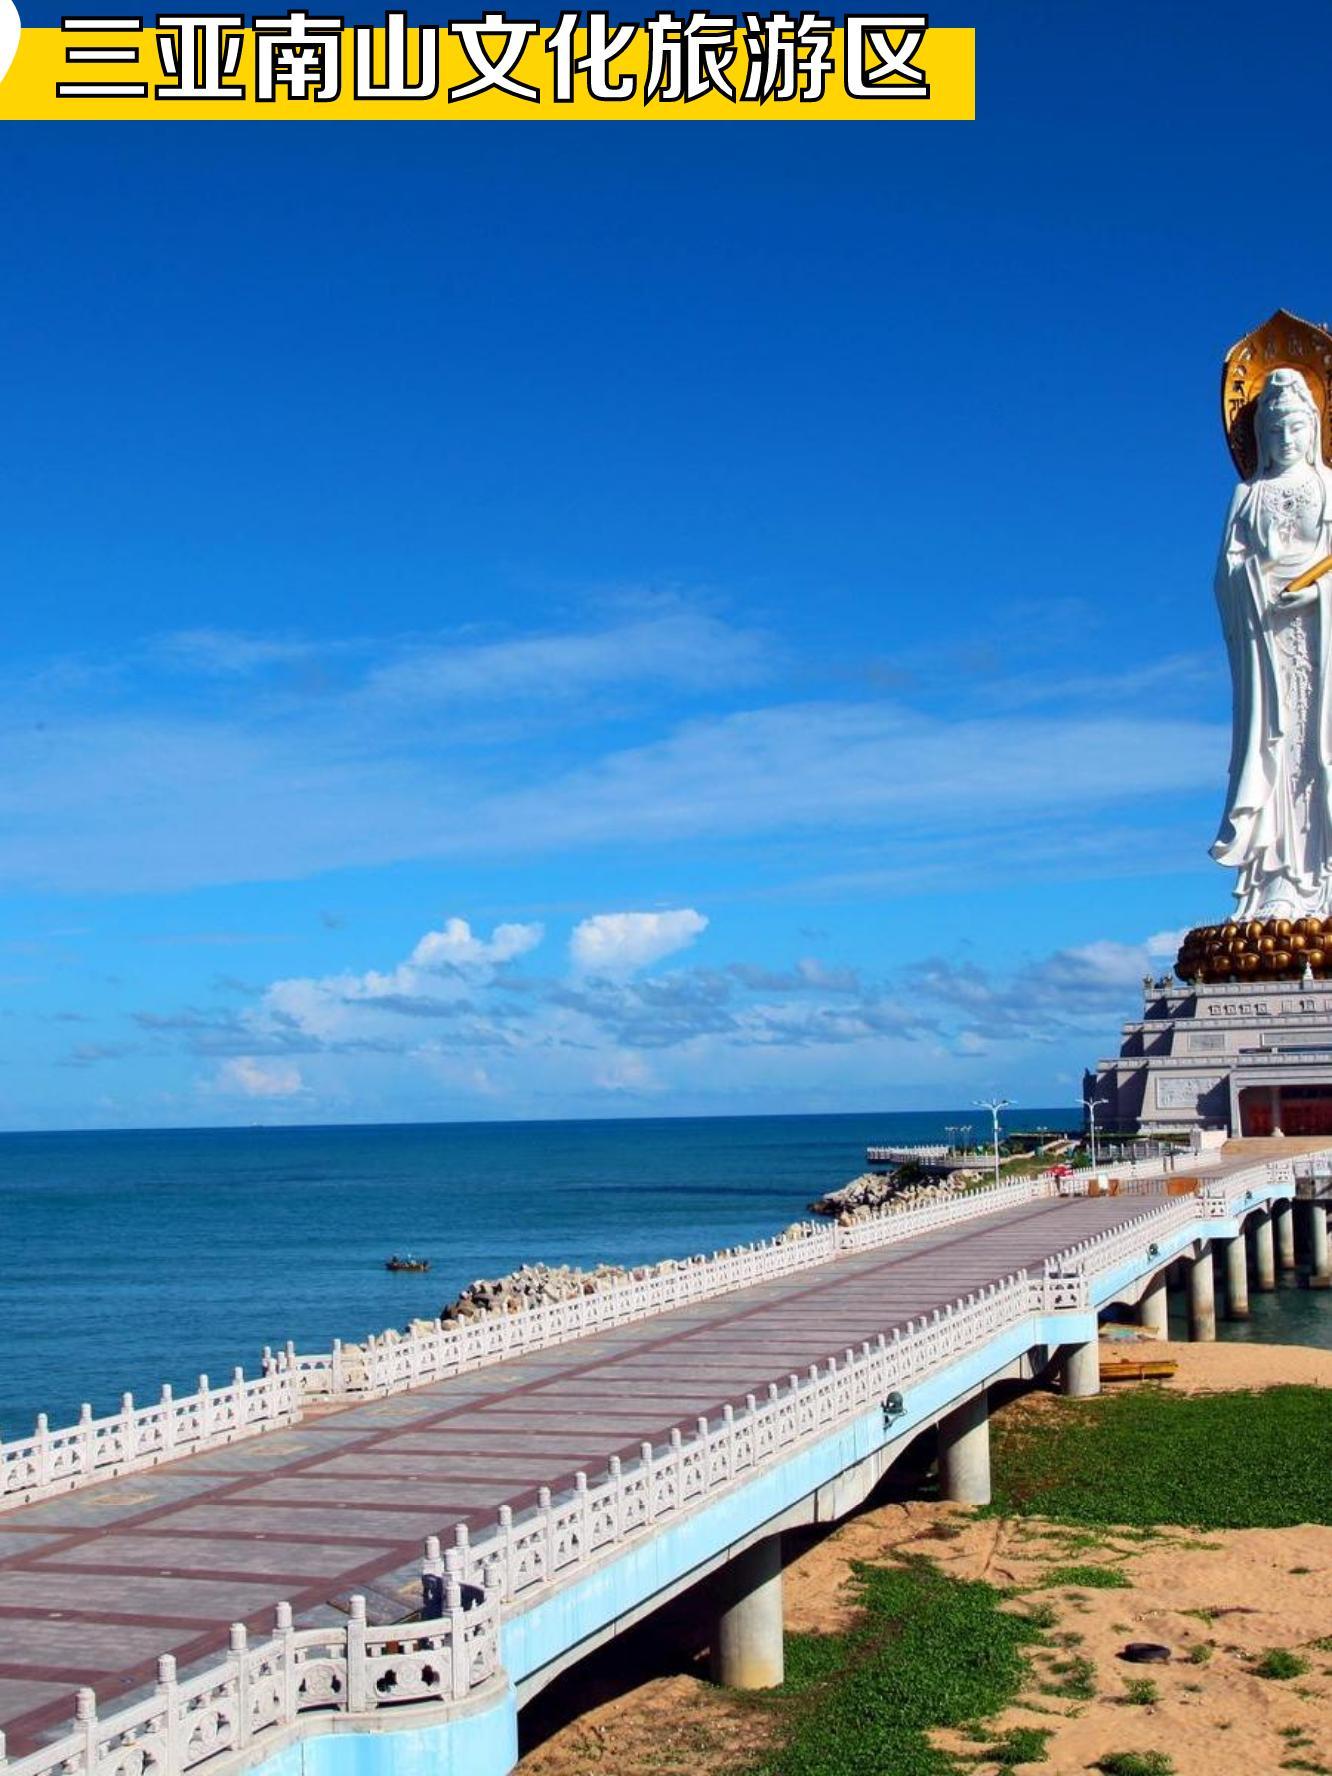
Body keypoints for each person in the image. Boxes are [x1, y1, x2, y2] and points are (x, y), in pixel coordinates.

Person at [1213, 366, 1332, 919]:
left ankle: (1322, 878)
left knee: (1320, 750)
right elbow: (1225, 573)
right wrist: (1253, 584)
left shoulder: (1328, 487)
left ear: (1314, 428)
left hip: (1320, 637)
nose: (1286, 440)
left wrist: (1316, 594)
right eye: (1274, 430)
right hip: (1266, 645)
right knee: (1273, 751)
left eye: (1295, 428)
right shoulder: (1247, 495)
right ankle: (1278, 883)